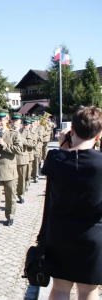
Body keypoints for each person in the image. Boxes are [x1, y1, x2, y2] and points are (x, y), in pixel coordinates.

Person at [41, 106, 102, 300]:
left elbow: (67, 160)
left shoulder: (55, 158)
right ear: (99, 136)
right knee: (88, 291)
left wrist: (64, 145)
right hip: (93, 235)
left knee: (60, 288)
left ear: (72, 130)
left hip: (59, 233)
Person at [10, 114, 32, 204]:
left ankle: (21, 194)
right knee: (11, 180)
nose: (15, 122)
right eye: (14, 120)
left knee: (21, 178)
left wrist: (21, 139)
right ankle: (11, 197)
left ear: (20, 122)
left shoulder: (26, 132)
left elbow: (32, 144)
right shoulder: (9, 131)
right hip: (11, 158)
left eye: (17, 120)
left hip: (22, 158)